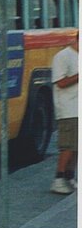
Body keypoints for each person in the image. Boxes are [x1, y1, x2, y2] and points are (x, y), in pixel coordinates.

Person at [50, 33, 78, 194]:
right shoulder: (63, 56)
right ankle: (58, 178)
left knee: (76, 147)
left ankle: (69, 176)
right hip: (68, 109)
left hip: (77, 107)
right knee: (68, 146)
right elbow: (60, 82)